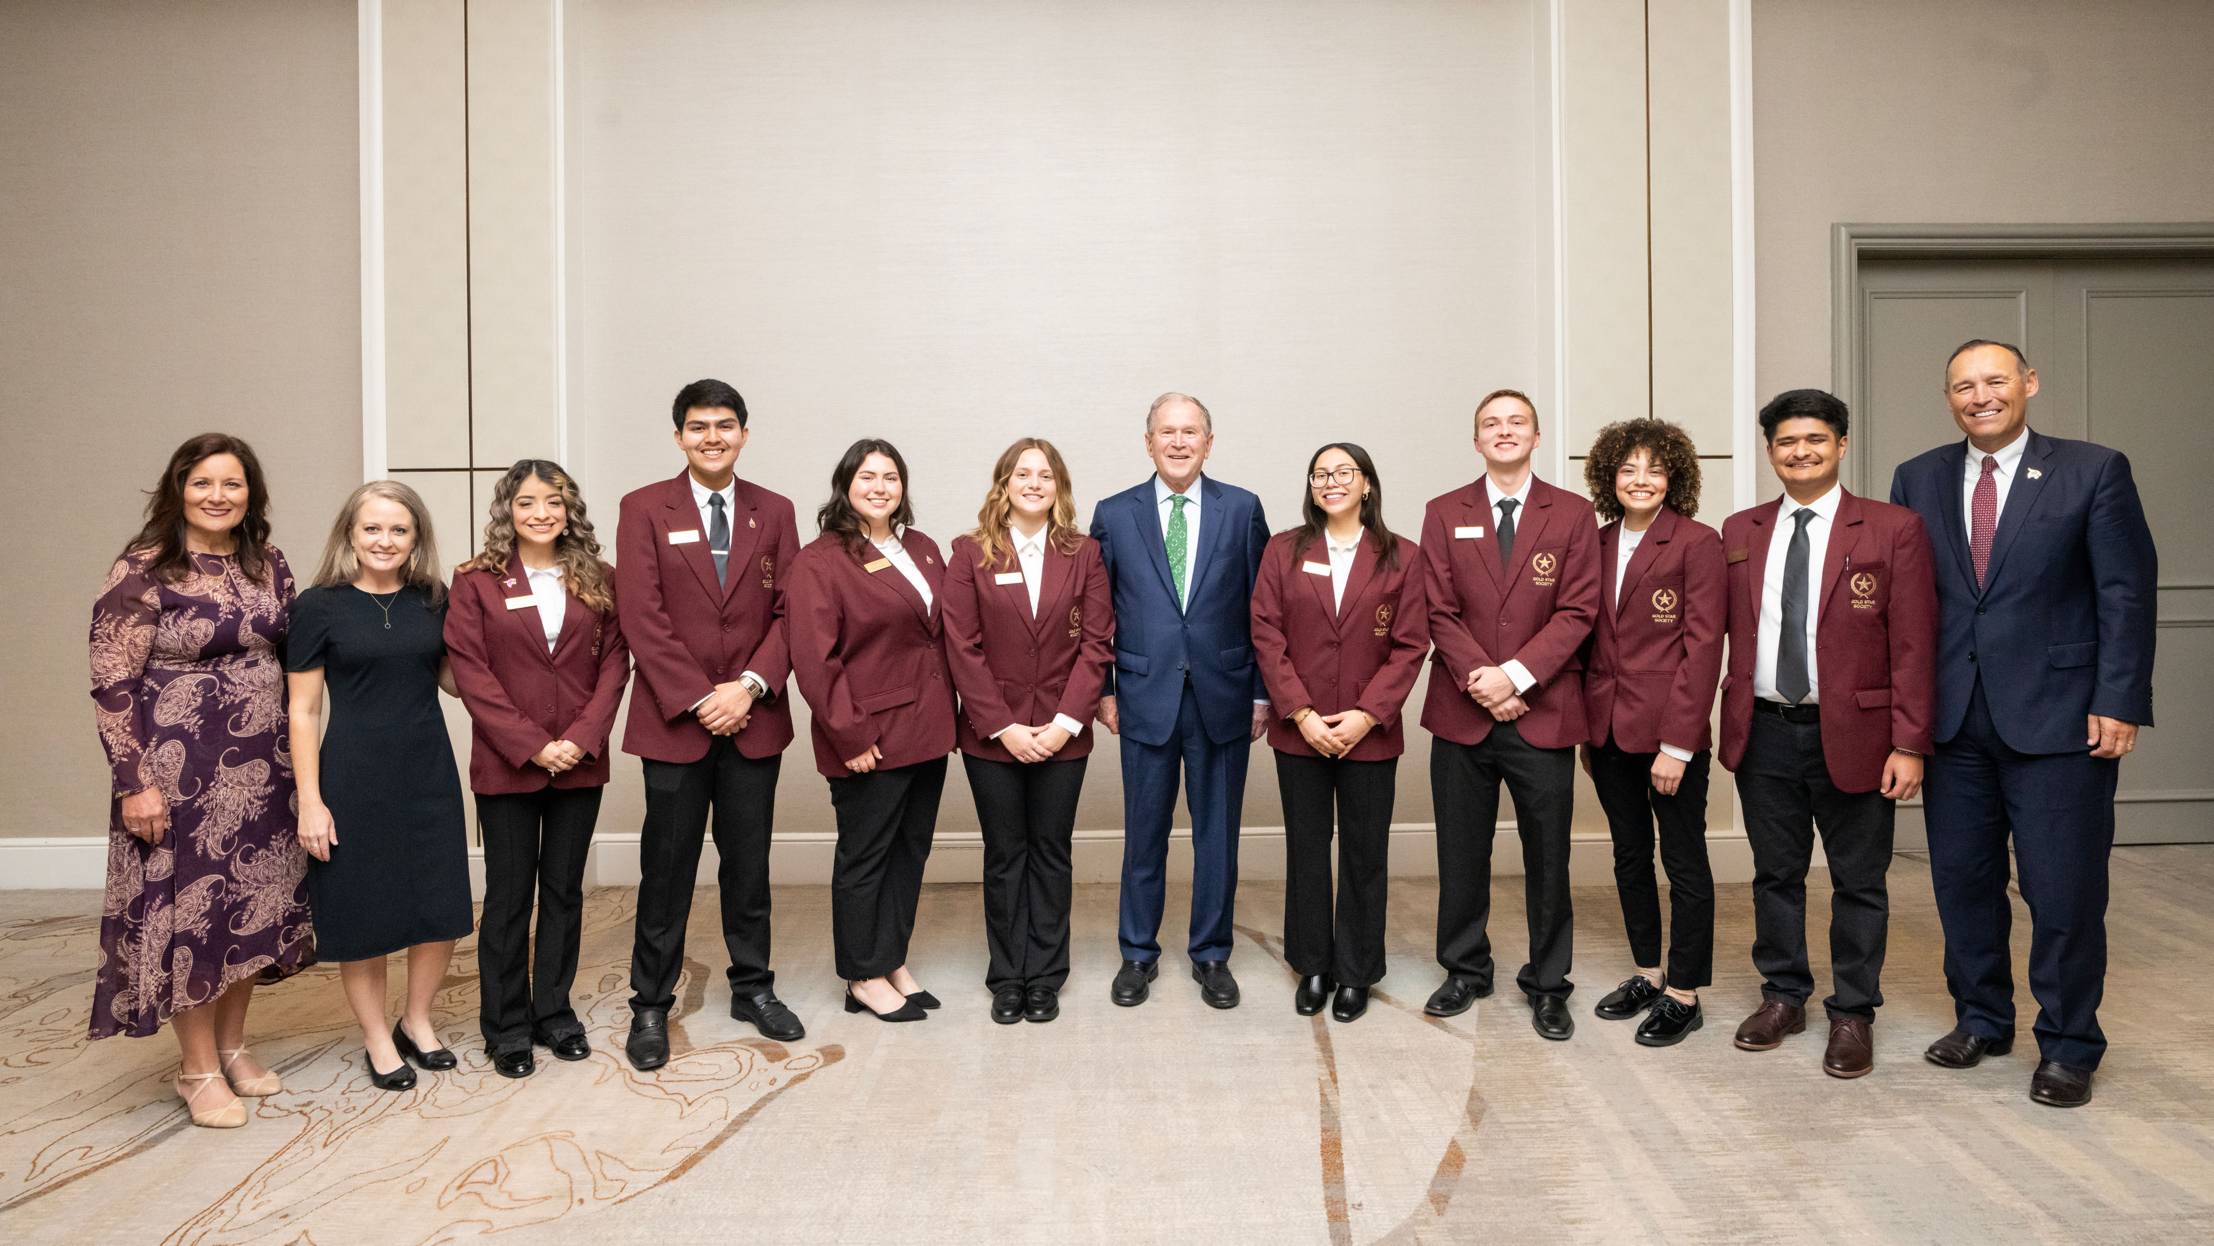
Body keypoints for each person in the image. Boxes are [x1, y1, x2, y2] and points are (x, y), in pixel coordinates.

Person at [1889, 340, 2157, 1108]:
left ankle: (2070, 1044)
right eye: (1963, 386)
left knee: (2063, 892)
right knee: (1963, 884)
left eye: (1995, 381)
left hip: (2062, 720)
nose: (1981, 396)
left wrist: (2119, 698)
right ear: (1949, 398)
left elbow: (2126, 593)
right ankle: (1982, 1018)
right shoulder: (1919, 477)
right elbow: (1913, 607)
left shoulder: (2092, 469)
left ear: (2029, 385)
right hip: (1954, 722)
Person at [88, 434, 315, 1128]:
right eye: (203, 484)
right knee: (190, 917)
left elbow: (299, 650)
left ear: (252, 495)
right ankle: (196, 1070)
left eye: (233, 484)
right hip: (177, 774)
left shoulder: (267, 563)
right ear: (178, 490)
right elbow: (110, 682)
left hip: (261, 767)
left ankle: (233, 1046)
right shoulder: (144, 567)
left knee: (248, 907)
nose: (218, 496)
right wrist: (136, 783)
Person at [1719, 389, 1935, 1079]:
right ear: (1771, 452)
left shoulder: (1892, 528)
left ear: (1841, 445)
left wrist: (1909, 742)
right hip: (1766, 730)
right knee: (1774, 874)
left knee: (1859, 881)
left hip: (1860, 733)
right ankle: (1783, 995)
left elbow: (1913, 645)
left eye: (1815, 439)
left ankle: (1853, 1011)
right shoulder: (1740, 530)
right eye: (1786, 442)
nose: (1800, 451)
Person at [615, 379, 805, 1071]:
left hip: (754, 718)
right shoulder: (643, 509)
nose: (713, 437)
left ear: (745, 434)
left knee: (748, 866)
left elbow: (793, 612)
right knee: (666, 869)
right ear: (678, 437)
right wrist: (702, 697)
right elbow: (641, 614)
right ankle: (650, 1003)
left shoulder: (776, 511)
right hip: (676, 721)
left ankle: (753, 986)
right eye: (699, 427)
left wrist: (748, 688)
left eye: (726, 425)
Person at [1418, 389, 1600, 1040]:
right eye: (1491, 424)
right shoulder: (1444, 513)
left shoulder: (1574, 515)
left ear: (1537, 435)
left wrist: (1516, 676)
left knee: (1548, 857)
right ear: (1475, 441)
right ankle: (1465, 969)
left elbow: (1579, 610)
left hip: (1542, 711)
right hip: (1461, 714)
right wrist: (1484, 682)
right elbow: (1438, 610)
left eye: (1515, 422)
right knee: (1460, 851)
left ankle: (1549, 983)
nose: (1504, 431)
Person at [446, 460, 631, 1078]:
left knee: (563, 893)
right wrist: (530, 743)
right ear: (509, 511)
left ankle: (553, 1011)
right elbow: (471, 672)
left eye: (552, 502)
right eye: (527, 503)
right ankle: (505, 1024)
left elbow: (615, 666)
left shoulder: (600, 578)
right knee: (507, 898)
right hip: (508, 764)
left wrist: (580, 738)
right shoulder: (475, 581)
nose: (541, 514)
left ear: (569, 509)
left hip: (580, 762)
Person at [287, 481, 473, 1093]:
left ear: (416, 538)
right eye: (372, 528)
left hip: (427, 770)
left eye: (399, 530)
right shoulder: (319, 606)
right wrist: (310, 801)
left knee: (438, 905)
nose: (385, 540)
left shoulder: (434, 599)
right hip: (352, 774)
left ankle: (416, 1021)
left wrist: (486, 608)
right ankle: (374, 1036)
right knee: (361, 911)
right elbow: (304, 710)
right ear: (350, 534)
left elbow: (454, 682)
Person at [1089, 393, 1271, 1010]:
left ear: (1209, 443)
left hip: (1224, 696)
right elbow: (1095, 613)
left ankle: (1212, 953)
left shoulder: (1242, 509)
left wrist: (1263, 693)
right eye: (1166, 432)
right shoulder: (1114, 514)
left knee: (1216, 836)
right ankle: (1137, 953)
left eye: (1190, 432)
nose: (1178, 442)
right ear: (1148, 443)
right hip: (1143, 696)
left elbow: (1264, 610)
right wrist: (1105, 690)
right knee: (1144, 835)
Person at [1249, 443, 1428, 1023]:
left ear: (1367, 484)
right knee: (1306, 851)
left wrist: (1365, 714)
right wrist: (1299, 712)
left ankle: (1355, 971)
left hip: (1369, 732)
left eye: (1343, 472)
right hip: (1298, 732)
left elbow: (1410, 645)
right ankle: (1314, 966)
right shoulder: (1283, 550)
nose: (1331, 482)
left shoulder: (1402, 555)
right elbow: (1266, 634)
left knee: (1363, 853)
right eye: (1320, 473)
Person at [940, 439, 1114, 1024]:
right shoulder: (969, 554)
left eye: (1046, 475)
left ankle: (1044, 976)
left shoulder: (1084, 554)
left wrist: (1065, 725)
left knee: (1051, 853)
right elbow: (961, 647)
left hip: (1065, 735)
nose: (1034, 483)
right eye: (1022, 473)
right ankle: (1006, 977)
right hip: (993, 737)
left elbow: (1096, 644)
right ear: (1004, 484)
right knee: (1005, 855)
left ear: (1059, 487)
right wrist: (1003, 727)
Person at [788, 439, 957, 1022]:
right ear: (845, 485)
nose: (880, 487)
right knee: (865, 856)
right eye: (867, 477)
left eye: (890, 477)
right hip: (869, 736)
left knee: (909, 853)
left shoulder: (926, 550)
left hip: (929, 731)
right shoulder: (821, 560)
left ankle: (892, 959)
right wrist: (850, 736)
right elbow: (815, 660)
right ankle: (862, 973)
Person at [1577, 419, 1726, 1047]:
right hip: (1606, 731)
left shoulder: (1698, 542)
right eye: (1629, 469)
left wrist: (1678, 745)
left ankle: (1685, 992)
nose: (1642, 480)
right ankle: (1647, 970)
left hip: (1670, 736)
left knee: (1683, 859)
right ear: (1611, 477)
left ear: (1675, 478)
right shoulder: (1597, 541)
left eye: (1655, 469)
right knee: (1629, 853)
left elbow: (1703, 647)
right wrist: (1587, 732)